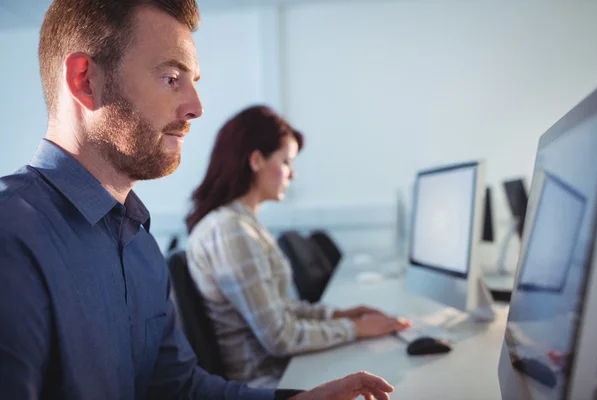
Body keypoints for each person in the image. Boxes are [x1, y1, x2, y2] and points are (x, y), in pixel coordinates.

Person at [0, 0, 397, 399]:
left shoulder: (139, 245)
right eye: (172, 78)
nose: (196, 108)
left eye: (194, 81)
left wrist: (297, 399)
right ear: (85, 80)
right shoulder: (12, 237)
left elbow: (178, 388)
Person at [185, 105, 411, 387]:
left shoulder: (242, 224)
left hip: (285, 371)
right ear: (256, 160)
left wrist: (338, 315)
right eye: (286, 162)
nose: (293, 175)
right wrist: (355, 329)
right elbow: (280, 337)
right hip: (270, 383)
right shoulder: (231, 231)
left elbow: (277, 307)